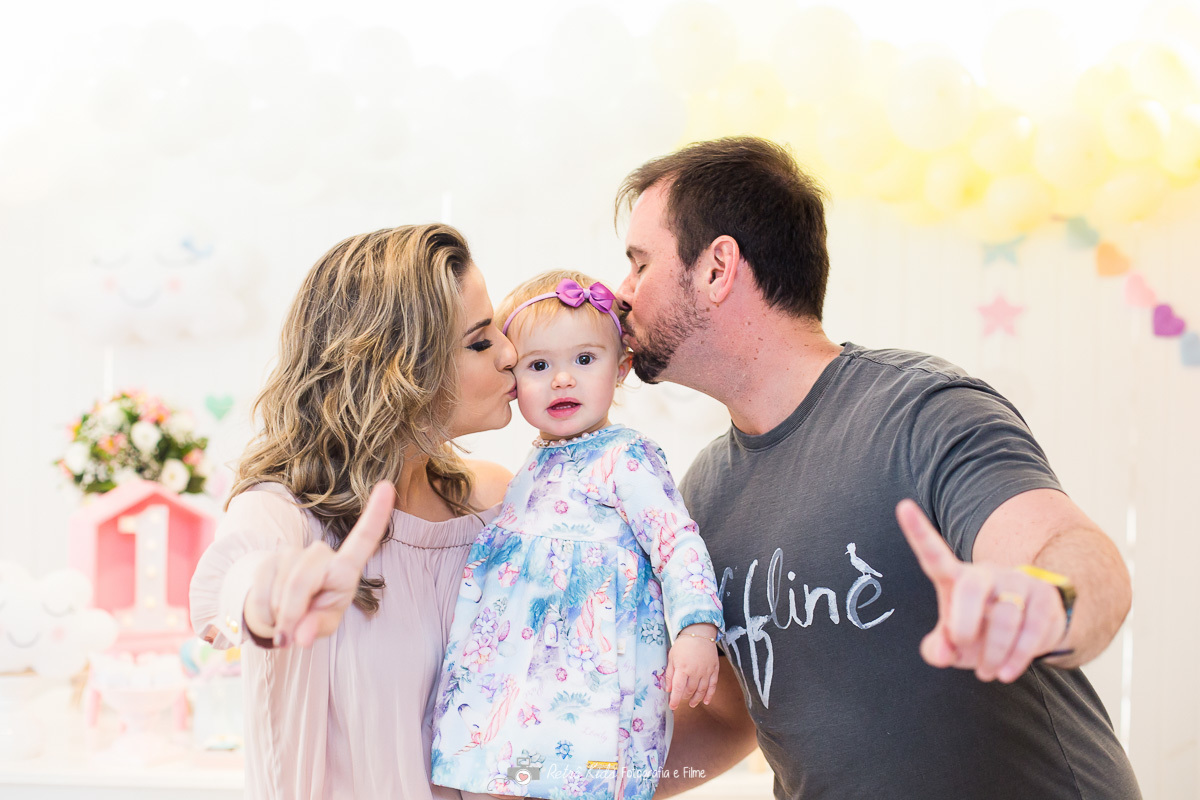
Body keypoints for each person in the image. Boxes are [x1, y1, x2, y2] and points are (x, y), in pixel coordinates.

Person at [611, 137, 1141, 799]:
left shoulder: (922, 412)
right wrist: (569, 781)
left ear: (718, 268)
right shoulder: (701, 496)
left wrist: (1043, 602)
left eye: (639, 264)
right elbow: (725, 717)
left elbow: (1076, 556)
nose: (621, 293)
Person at [189, 223, 521, 800]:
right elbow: (230, 589)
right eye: (478, 341)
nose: (510, 352)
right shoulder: (286, 512)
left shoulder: (495, 502)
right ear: (402, 370)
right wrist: (269, 600)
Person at [429, 270, 724, 800]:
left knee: (584, 775)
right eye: (539, 365)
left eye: (585, 359)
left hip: (592, 676)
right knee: (499, 779)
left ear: (621, 367)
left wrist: (696, 628)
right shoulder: (532, 464)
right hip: (519, 678)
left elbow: (676, 541)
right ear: (512, 380)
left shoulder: (625, 456)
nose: (562, 379)